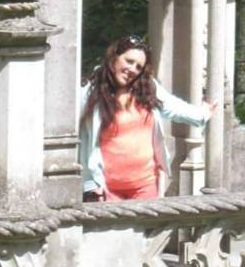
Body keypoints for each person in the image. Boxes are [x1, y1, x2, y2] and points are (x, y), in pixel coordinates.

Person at [79, 35, 216, 201]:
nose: (132, 69)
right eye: (129, 61)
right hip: (105, 188)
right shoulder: (90, 91)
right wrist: (90, 184)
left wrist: (203, 114)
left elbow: (174, 107)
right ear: (115, 57)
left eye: (138, 67)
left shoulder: (147, 88)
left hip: (145, 184)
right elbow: (76, 137)